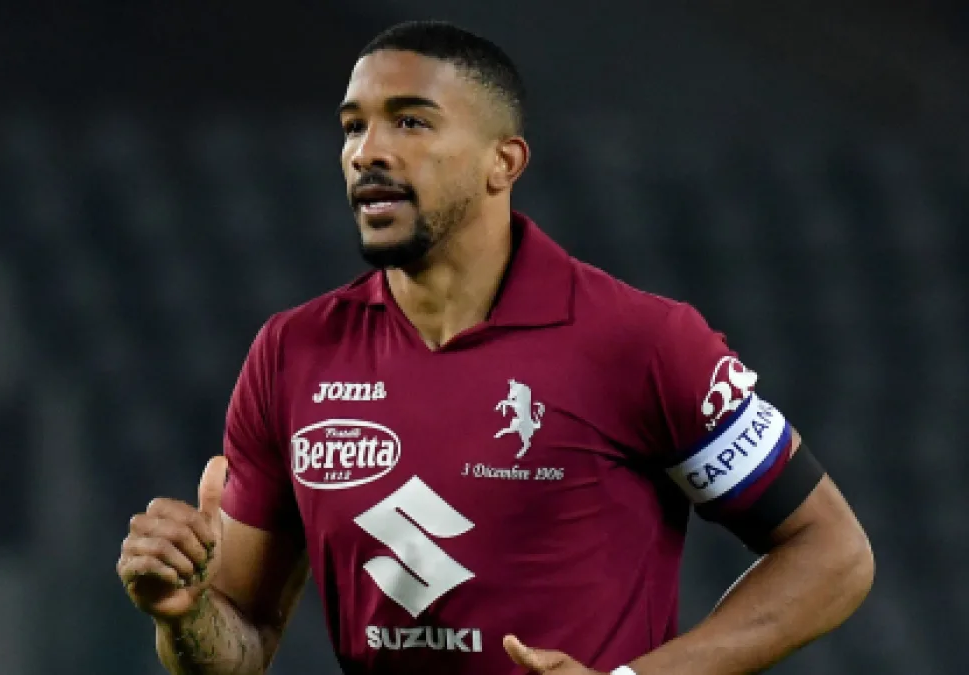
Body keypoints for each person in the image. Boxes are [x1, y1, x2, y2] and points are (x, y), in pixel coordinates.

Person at [116, 20, 874, 675]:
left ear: (503, 162)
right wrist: (184, 615)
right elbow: (240, 643)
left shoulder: (639, 341)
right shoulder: (292, 354)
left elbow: (831, 553)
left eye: (410, 122)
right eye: (352, 127)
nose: (367, 151)